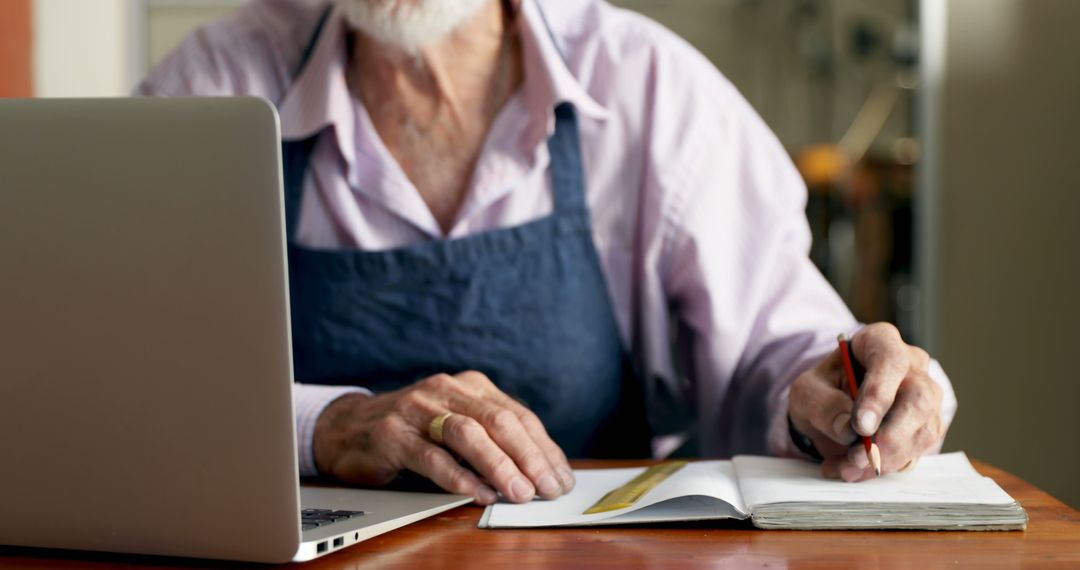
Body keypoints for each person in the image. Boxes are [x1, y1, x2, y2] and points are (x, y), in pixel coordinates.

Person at [137, 0, 956, 506]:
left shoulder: (647, 88)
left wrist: (830, 388)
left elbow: (770, 351)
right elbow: (123, 377)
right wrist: (326, 426)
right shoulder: (216, 82)